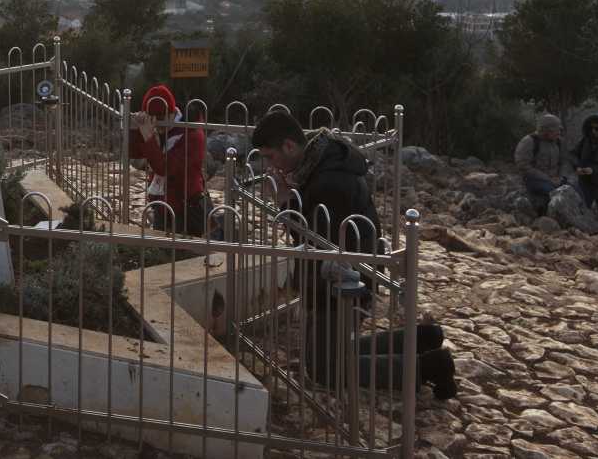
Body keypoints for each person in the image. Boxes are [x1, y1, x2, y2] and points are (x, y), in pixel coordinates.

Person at [251, 110, 455, 400]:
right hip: (343, 277)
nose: (270, 165)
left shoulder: (328, 181)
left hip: (341, 286)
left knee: (325, 370)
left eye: (270, 156)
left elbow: (318, 245)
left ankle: (430, 366)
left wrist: (286, 204)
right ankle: (422, 339)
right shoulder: (321, 164)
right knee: (328, 354)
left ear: (288, 146)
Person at [128, 84, 208, 234]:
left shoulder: (191, 133)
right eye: (153, 119)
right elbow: (134, 153)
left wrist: (149, 137)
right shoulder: (154, 127)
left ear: (173, 112)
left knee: (184, 252)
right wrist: (135, 130)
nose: (158, 125)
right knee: (161, 247)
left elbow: (164, 168)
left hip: (184, 204)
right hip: (161, 201)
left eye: (162, 119)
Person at [568, 112, 598, 233]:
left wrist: (593, 170)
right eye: (592, 128)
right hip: (585, 183)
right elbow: (572, 154)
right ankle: (584, 239)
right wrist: (577, 166)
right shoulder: (586, 139)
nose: (594, 131)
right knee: (582, 210)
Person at [514, 114, 565, 216]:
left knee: (574, 188)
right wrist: (547, 178)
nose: (559, 133)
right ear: (546, 130)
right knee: (551, 192)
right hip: (534, 179)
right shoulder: (529, 141)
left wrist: (560, 177)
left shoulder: (558, 142)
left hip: (554, 178)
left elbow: (564, 162)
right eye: (556, 130)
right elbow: (522, 165)